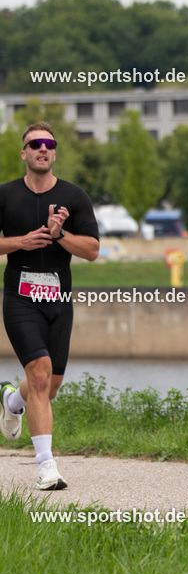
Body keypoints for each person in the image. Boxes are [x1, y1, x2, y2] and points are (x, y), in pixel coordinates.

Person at [0, 122, 100, 490]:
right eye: (35, 144)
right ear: (24, 153)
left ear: (54, 153)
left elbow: (92, 250)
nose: (43, 148)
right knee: (39, 374)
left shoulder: (74, 196)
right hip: (20, 299)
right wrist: (21, 242)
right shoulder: (6, 195)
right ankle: (47, 467)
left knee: (50, 386)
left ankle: (12, 401)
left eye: (49, 144)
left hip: (58, 302)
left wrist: (60, 234)